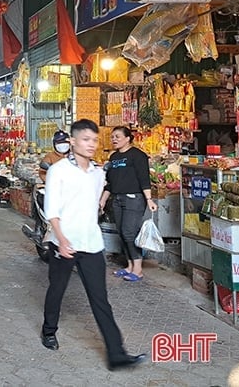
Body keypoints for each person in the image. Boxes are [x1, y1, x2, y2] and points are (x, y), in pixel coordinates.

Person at [41, 119, 145, 370]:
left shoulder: (98, 173)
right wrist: (62, 239)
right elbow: (51, 209)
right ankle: (48, 330)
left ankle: (117, 354)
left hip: (91, 244)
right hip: (64, 243)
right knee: (57, 289)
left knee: (100, 299)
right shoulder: (59, 171)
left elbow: (96, 203)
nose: (91, 144)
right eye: (86, 139)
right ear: (73, 141)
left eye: (95, 140)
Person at [99, 126, 158, 282]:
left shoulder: (138, 156)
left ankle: (138, 269)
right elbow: (110, 183)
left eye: (118, 136)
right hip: (117, 199)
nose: (114, 139)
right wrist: (103, 199)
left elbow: (144, 179)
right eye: (112, 137)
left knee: (129, 232)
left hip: (134, 198)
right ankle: (130, 266)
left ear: (128, 138)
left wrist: (149, 199)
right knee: (121, 232)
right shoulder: (113, 158)